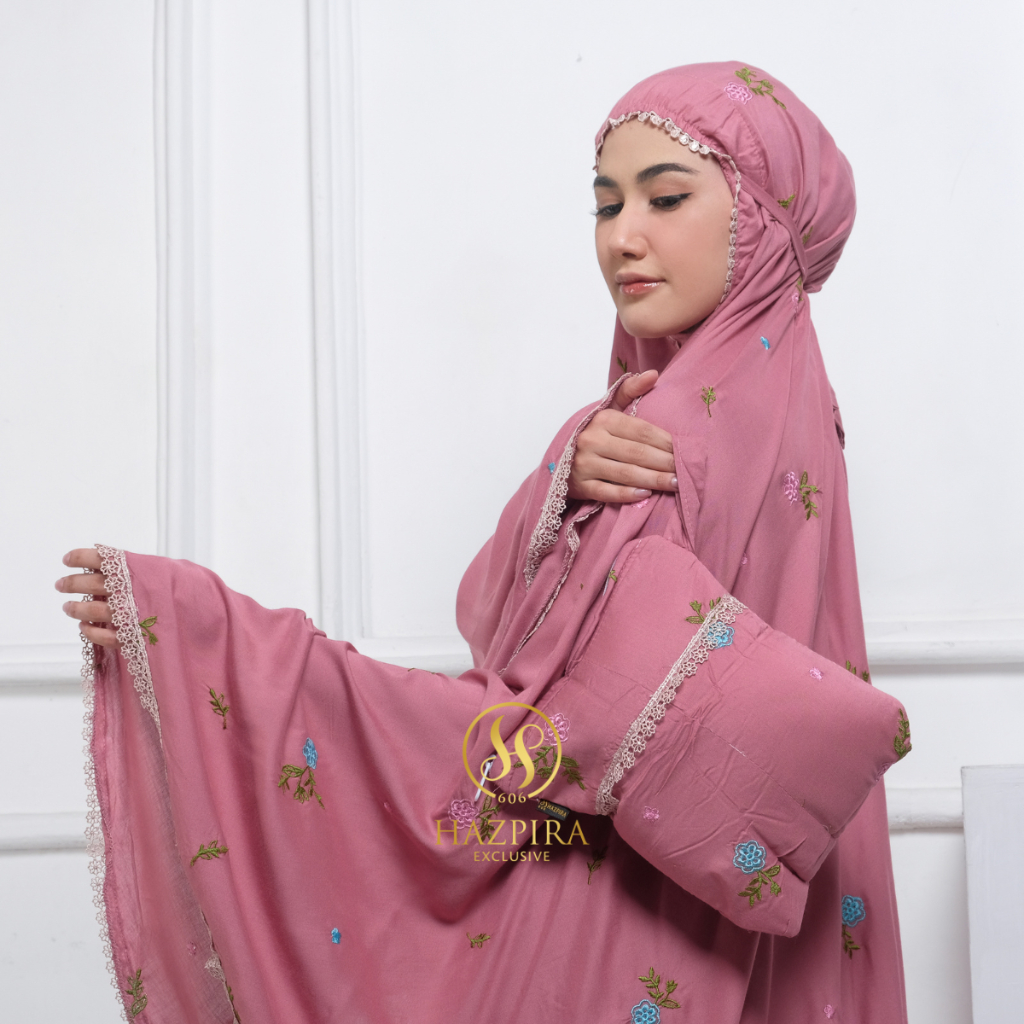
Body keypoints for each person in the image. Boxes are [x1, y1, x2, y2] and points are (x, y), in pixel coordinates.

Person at [56, 62, 910, 1023]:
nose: (622, 238)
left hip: (633, 931)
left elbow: (530, 726)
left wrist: (204, 634)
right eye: (606, 205)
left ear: (761, 218)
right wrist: (559, 483)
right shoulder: (806, 419)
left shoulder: (659, 438)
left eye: (666, 198)